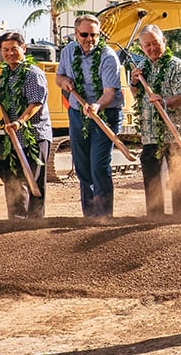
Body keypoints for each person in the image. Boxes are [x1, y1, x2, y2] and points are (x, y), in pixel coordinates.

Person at [56, 14, 124, 218]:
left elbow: (110, 92)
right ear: (76, 34)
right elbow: (59, 77)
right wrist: (64, 81)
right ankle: (89, 214)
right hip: (78, 113)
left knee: (98, 165)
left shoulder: (108, 56)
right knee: (82, 166)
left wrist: (96, 105)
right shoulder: (68, 51)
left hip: (105, 113)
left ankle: (104, 216)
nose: (89, 39)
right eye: (84, 34)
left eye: (94, 35)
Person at [131, 25, 181, 217]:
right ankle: (154, 217)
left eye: (155, 43)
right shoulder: (142, 69)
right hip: (150, 135)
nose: (151, 48)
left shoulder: (177, 65)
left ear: (163, 41)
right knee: (152, 178)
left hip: (175, 133)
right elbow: (136, 95)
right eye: (147, 45)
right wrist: (134, 82)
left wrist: (164, 101)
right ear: (142, 47)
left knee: (178, 179)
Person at [0, 31, 51, 219]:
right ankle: (16, 221)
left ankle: (34, 224)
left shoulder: (33, 73)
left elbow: (36, 103)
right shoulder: (6, 74)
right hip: (13, 137)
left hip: (35, 135)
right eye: (5, 49)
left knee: (34, 180)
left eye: (14, 49)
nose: (10, 53)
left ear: (23, 48)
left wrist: (20, 121)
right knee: (13, 180)